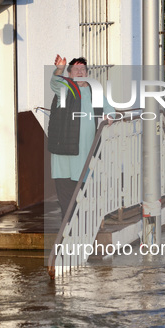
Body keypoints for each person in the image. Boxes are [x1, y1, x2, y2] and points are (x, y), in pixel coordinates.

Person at [47, 55, 114, 218]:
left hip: (85, 149)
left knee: (83, 186)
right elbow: (54, 81)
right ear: (69, 74)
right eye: (75, 69)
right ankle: (68, 224)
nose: (79, 72)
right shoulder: (64, 88)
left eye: (82, 69)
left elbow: (109, 108)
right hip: (64, 150)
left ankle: (81, 222)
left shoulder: (93, 92)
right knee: (65, 188)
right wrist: (59, 69)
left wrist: (110, 117)